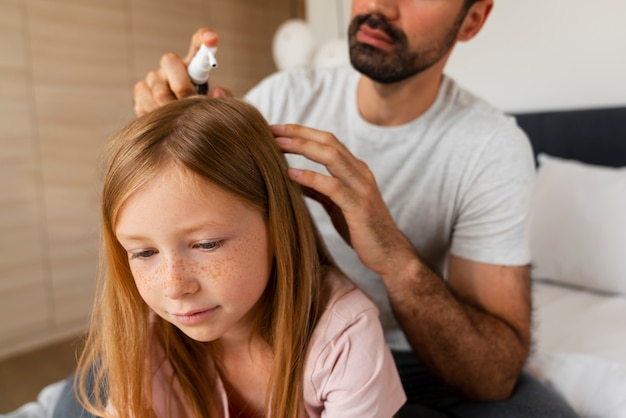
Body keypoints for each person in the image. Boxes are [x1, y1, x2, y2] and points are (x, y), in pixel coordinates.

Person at [133, 1, 580, 416]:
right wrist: (171, 127)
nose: (379, 5)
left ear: (472, 20)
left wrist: (394, 258)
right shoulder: (282, 97)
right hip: (269, 340)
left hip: (414, 361)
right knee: (91, 390)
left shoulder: (489, 147)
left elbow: (492, 376)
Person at [49, 97, 404, 418]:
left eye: (206, 245)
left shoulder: (345, 334)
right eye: (144, 252)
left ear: (276, 224)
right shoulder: (147, 334)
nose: (174, 287)